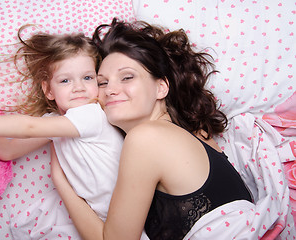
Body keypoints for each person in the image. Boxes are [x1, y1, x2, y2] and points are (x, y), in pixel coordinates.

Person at [47, 18, 254, 240]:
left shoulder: (146, 138)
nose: (111, 90)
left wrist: (60, 181)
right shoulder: (194, 132)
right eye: (102, 82)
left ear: (160, 87)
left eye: (127, 77)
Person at [0, 25, 134, 239]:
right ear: (48, 90)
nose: (79, 87)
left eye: (87, 78)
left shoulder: (92, 115)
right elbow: (7, 150)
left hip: (124, 217)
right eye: (65, 80)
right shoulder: (58, 123)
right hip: (99, 218)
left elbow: (28, 127)